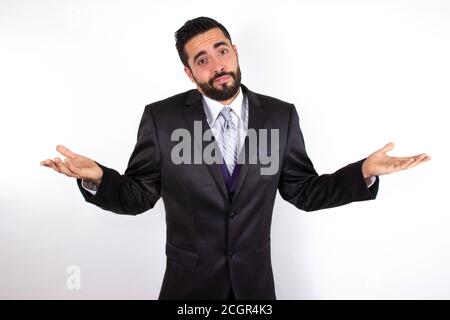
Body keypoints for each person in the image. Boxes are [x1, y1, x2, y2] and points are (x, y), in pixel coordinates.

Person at [40, 17, 431, 300]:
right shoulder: (162, 118)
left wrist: (362, 172)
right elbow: (139, 194)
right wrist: (98, 179)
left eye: (221, 51)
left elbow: (303, 191)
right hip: (188, 289)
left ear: (235, 52)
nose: (217, 64)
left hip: (254, 287)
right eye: (202, 59)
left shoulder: (280, 116)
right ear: (189, 72)